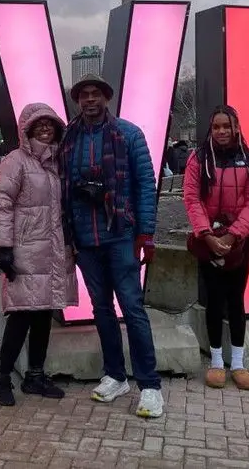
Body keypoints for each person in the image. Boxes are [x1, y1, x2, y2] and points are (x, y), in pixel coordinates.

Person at [60, 74, 163, 418]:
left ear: (106, 98)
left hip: (120, 235)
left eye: (95, 94)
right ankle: (116, 375)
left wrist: (145, 234)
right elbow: (63, 188)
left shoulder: (129, 134)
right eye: (83, 95)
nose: (89, 100)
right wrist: (69, 238)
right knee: (101, 309)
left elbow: (145, 185)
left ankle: (150, 385)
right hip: (86, 240)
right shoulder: (68, 138)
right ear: (78, 101)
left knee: (132, 308)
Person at [0, 102, 78, 407]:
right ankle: (2, 376)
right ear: (26, 129)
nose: (45, 128)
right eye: (39, 124)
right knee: (21, 315)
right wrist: (4, 247)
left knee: (43, 314)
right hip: (26, 250)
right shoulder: (15, 161)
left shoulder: (59, 162)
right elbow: (1, 202)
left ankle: (35, 375)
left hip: (53, 250)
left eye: (49, 123)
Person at [184, 105, 249, 390]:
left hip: (238, 241)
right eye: (216, 126)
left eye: (226, 126)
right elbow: (192, 198)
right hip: (208, 239)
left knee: (236, 299)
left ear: (236, 128)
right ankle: (217, 362)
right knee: (215, 300)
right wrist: (207, 236)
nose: (221, 131)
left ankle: (239, 364)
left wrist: (232, 236)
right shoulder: (198, 158)